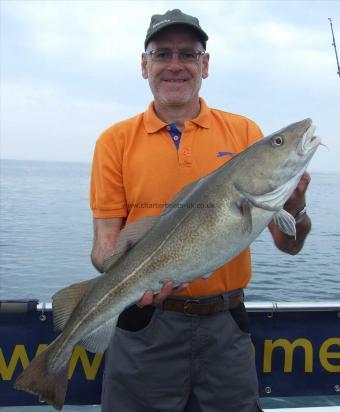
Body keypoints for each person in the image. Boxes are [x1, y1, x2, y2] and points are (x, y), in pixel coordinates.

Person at [90, 9, 312, 412]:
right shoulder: (114, 141)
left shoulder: (244, 133)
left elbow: (288, 245)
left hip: (224, 329)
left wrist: (295, 210)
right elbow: (104, 249)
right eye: (162, 54)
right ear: (145, 65)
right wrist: (138, 276)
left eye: (188, 54)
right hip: (145, 330)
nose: (175, 65)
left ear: (205, 64)